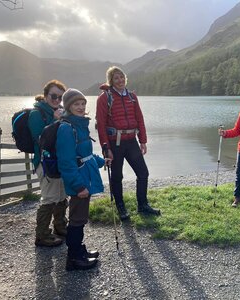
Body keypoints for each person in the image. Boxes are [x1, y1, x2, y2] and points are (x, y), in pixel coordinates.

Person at [96, 66, 160, 221]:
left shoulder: (132, 96)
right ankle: (121, 207)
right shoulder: (104, 98)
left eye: (121, 77)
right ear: (110, 81)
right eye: (116, 78)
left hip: (131, 141)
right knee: (117, 176)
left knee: (143, 173)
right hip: (115, 143)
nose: (120, 80)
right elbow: (101, 124)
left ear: (125, 78)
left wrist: (143, 141)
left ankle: (142, 205)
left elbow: (140, 119)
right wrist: (106, 148)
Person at [56, 88, 108, 271]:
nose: (80, 107)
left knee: (80, 218)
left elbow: (85, 154)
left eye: (82, 103)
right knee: (77, 219)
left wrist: (102, 161)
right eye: (75, 104)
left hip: (85, 177)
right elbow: (66, 163)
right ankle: (74, 258)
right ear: (68, 106)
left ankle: (80, 251)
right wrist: (78, 186)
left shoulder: (79, 124)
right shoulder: (66, 128)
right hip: (79, 181)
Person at [28, 80, 67, 247]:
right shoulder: (36, 114)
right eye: (53, 96)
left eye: (60, 97)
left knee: (62, 195)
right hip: (44, 162)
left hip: (59, 161)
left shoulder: (58, 112)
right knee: (49, 197)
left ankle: (60, 226)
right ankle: (42, 235)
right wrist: (55, 120)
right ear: (45, 96)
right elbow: (40, 139)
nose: (57, 99)